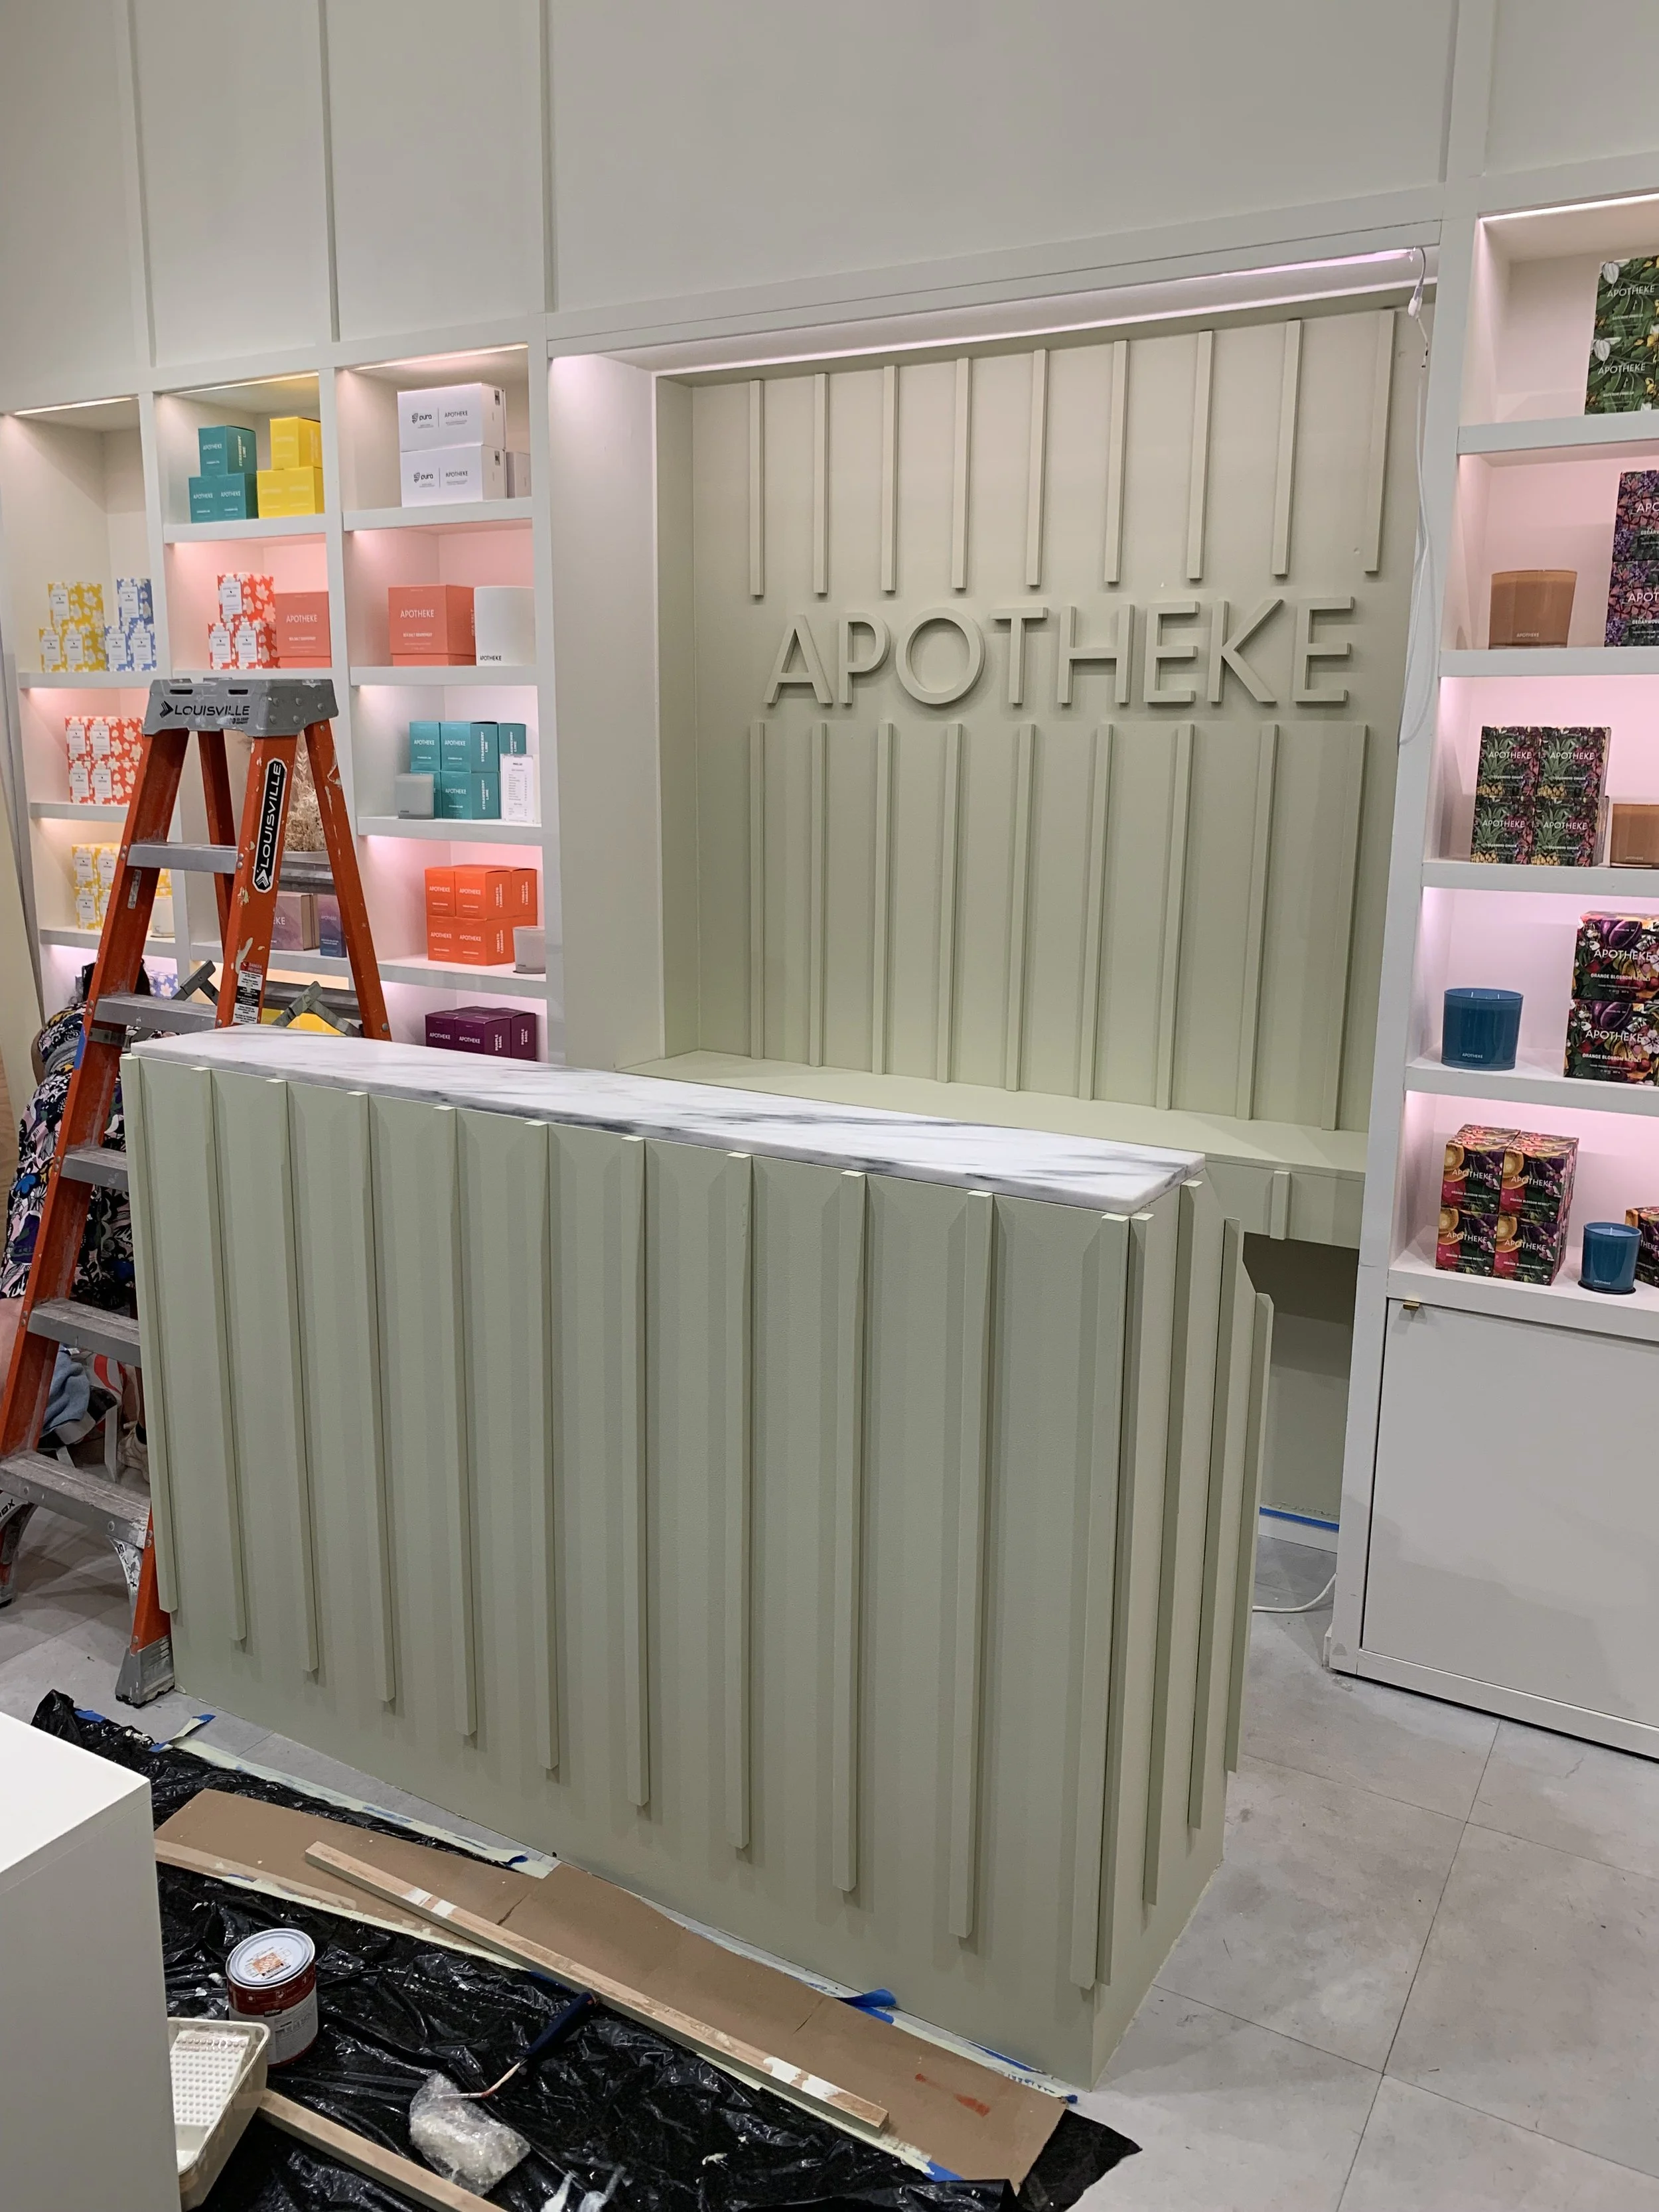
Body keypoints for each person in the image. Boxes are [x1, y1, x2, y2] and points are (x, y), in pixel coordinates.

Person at [0, 966, 143, 1441]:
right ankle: (143, 1432)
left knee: (26, 1283)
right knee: (141, 1284)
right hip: (125, 1113)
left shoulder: (53, 1027)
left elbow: (44, 1077)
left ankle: (23, 1415)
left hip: (52, 1113)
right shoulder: (163, 1027)